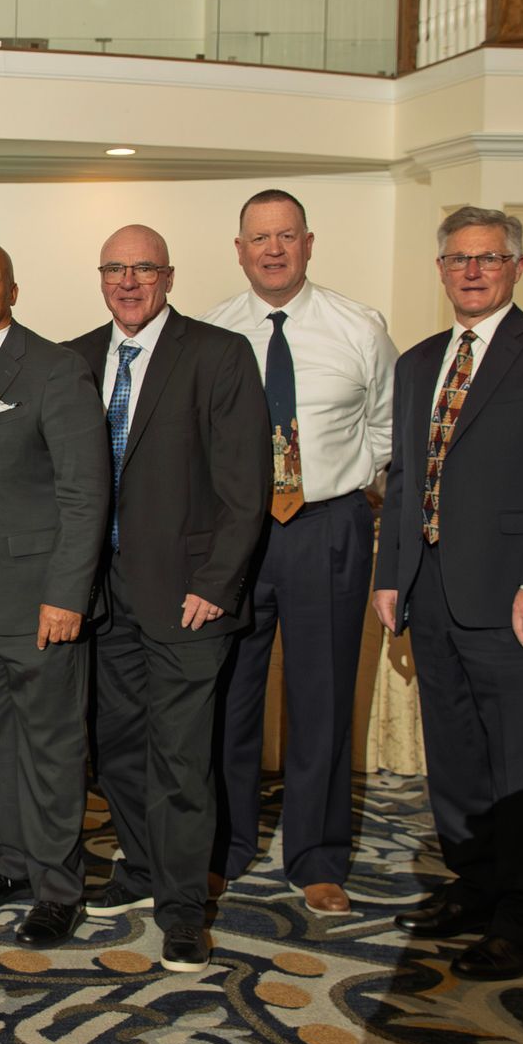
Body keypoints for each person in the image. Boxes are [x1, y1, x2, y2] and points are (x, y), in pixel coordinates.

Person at [374, 207, 523, 981]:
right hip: (432, 592)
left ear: (517, 266)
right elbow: (406, 478)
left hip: (519, 599)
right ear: (441, 269)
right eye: (459, 259)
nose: (473, 271)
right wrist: (389, 577)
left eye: (489, 258)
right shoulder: (418, 362)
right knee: (458, 757)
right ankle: (474, 887)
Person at [66, 224, 268, 973]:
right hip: (103, 595)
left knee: (181, 756)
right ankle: (143, 869)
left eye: (143, 269)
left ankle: (183, 907)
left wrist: (216, 586)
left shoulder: (217, 356)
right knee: (116, 747)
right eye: (115, 268)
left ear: (169, 277)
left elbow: (246, 488)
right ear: (101, 276)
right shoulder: (78, 359)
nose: (128, 282)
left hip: (187, 598)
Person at [200, 190, 396, 915]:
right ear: (240, 249)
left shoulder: (359, 328)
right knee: (227, 697)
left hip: (327, 526)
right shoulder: (212, 331)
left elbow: (385, 432)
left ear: (309, 243)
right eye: (259, 238)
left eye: (286, 236)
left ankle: (317, 856)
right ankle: (224, 845)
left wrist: (338, 492)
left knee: (323, 696)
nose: (273, 250)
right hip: (237, 532)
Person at [0, 239, 104, 947]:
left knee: (51, 747)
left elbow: (85, 492)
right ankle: (12, 861)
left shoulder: (56, 369)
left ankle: (60, 887)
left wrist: (67, 594)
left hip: (37, 599)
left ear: (13, 290)